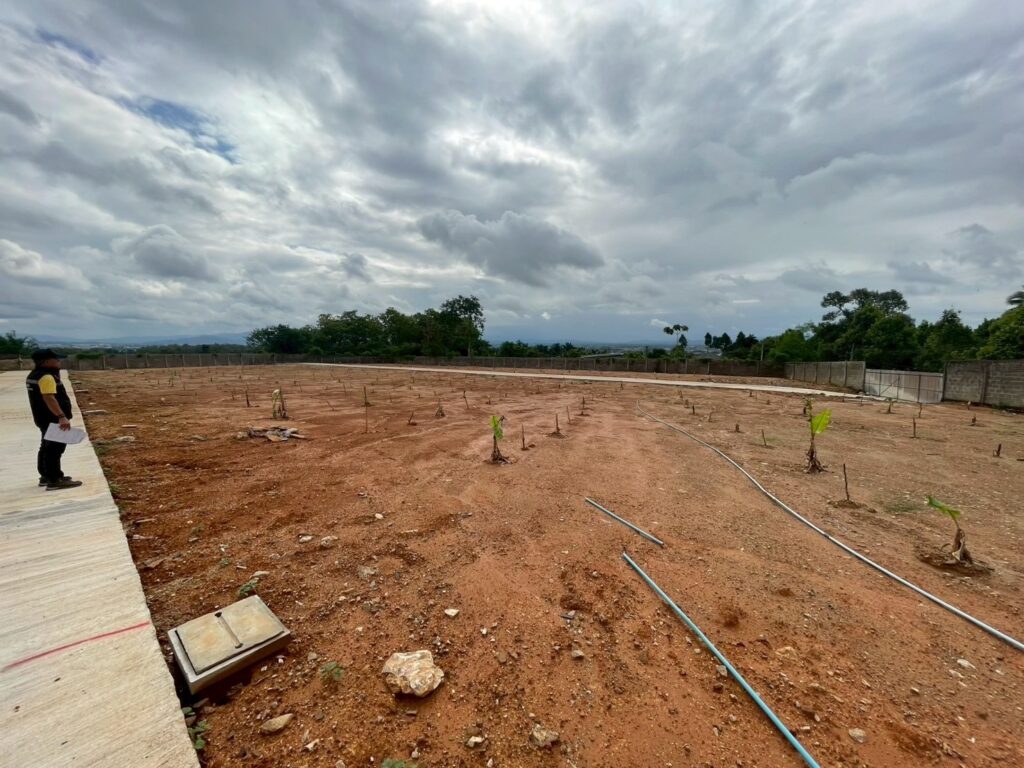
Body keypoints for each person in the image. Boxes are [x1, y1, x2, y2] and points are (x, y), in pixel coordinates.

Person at [25, 349, 82, 490]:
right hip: (53, 418)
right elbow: (49, 397)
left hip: (42, 417)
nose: (59, 361)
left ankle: (46, 476)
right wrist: (61, 417)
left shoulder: (34, 375)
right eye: (56, 359)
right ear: (46, 362)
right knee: (55, 449)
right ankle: (54, 479)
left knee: (46, 446)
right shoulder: (47, 377)